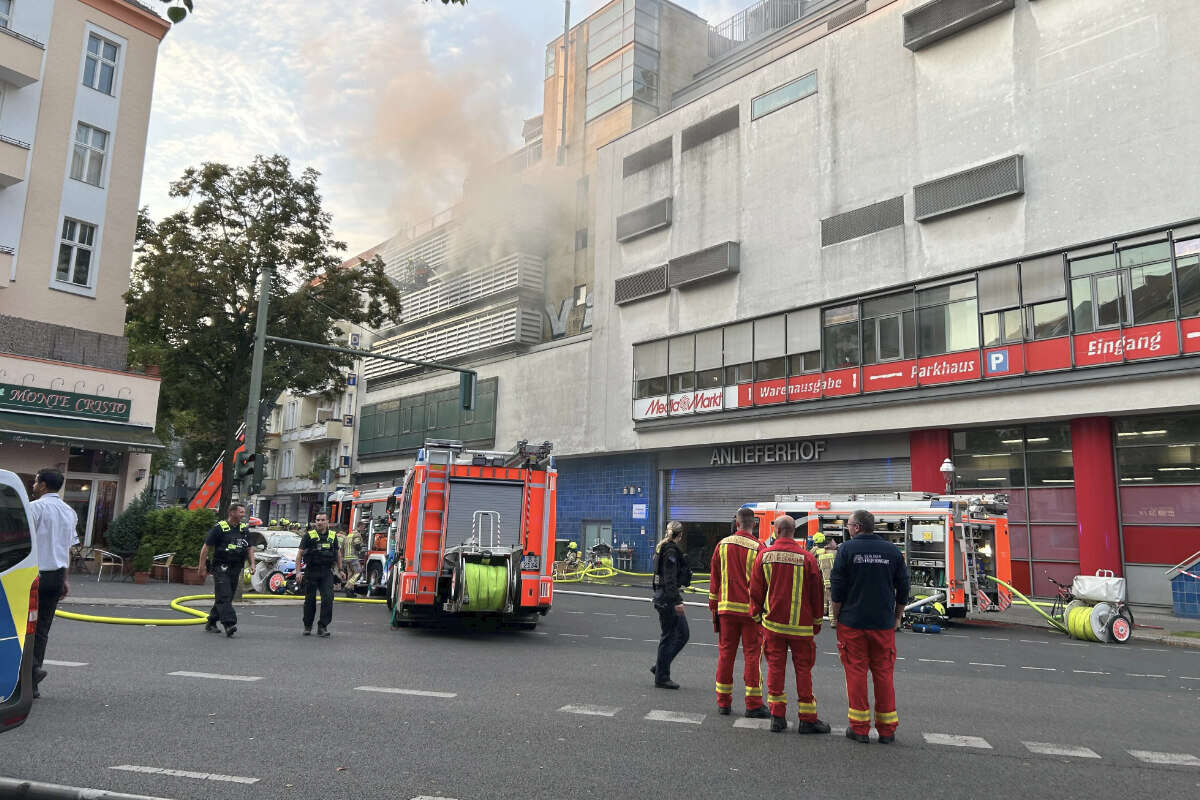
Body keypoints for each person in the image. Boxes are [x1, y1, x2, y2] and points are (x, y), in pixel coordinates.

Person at [830, 509, 909, 745]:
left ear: (857, 527)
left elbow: (837, 589)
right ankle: (887, 730)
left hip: (852, 623)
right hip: (882, 624)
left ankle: (859, 728)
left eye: (848, 525)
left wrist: (836, 618)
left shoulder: (846, 550)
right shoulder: (892, 551)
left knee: (855, 673)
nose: (847, 528)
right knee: (883, 674)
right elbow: (903, 589)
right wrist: (896, 617)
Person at [749, 514, 830, 734]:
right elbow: (817, 593)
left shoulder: (764, 556)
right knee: (803, 671)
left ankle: (777, 716)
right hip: (802, 627)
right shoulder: (807, 558)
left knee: (775, 668)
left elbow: (755, 590)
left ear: (776, 531)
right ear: (794, 532)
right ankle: (807, 719)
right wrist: (816, 622)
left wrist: (757, 616)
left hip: (773, 625)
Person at [708, 507, 769, 718]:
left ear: (736, 523)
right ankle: (753, 704)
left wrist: (713, 607)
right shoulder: (759, 547)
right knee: (752, 655)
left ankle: (723, 702)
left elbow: (714, 579)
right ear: (754, 524)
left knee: (726, 654)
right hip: (750, 612)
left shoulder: (722, 545)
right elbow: (763, 583)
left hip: (726, 609)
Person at [28, 468, 78, 699]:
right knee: (43, 629)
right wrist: (65, 579)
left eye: (36, 481)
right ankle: (33, 681)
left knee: (24, 627)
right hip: (57, 575)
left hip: (35, 576)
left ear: (44, 486)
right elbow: (67, 548)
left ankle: (31, 672)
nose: (34, 485)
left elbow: (27, 543)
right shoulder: (69, 512)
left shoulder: (35, 508)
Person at [198, 503, 254, 638]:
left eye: (243, 512)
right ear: (232, 513)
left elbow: (250, 548)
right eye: (240, 512)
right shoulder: (219, 528)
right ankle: (229, 624)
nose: (243, 514)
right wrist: (201, 567)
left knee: (226, 596)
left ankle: (211, 622)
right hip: (220, 567)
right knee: (224, 595)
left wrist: (252, 563)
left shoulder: (244, 529)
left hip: (236, 568)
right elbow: (206, 547)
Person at [650, 520, 692, 689]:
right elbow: (669, 578)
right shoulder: (670, 551)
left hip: (664, 597)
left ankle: (660, 667)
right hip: (668, 599)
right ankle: (662, 677)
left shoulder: (664, 548)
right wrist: (677, 601)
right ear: (680, 535)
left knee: (682, 634)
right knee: (670, 636)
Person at [297, 512, 342, 637]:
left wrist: (341, 569)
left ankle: (323, 626)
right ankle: (307, 626)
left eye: (322, 520)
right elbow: (300, 554)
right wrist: (298, 572)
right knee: (309, 600)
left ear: (327, 521)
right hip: (311, 571)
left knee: (328, 598)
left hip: (326, 572)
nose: (319, 522)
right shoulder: (308, 536)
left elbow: (338, 554)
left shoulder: (333, 536)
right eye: (317, 520)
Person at [817, 534, 838, 625]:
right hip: (834, 580)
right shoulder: (835, 553)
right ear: (830, 543)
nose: (836, 543)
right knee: (833, 600)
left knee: (827, 599)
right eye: (834, 541)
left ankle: (823, 613)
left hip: (825, 580)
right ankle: (833, 621)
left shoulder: (821, 553)